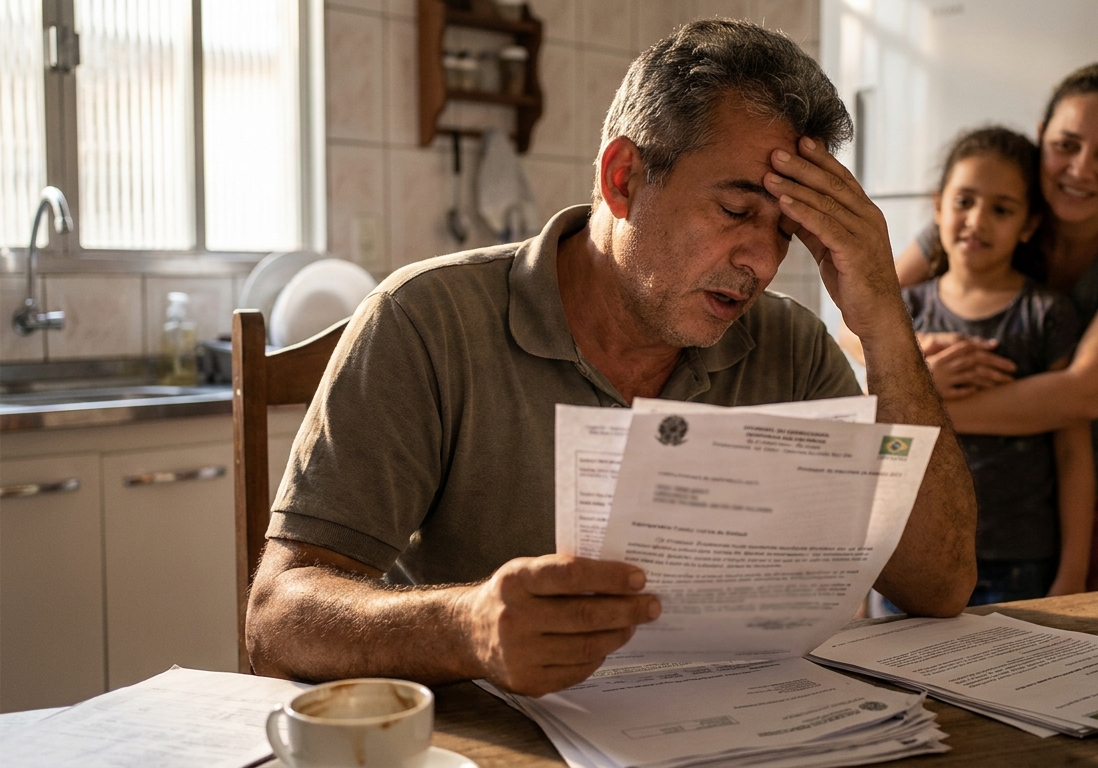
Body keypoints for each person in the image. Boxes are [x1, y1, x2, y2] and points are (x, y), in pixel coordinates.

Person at [246, 20, 978, 697]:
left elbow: (939, 587)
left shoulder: (790, 347)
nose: (761, 261)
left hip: (739, 728)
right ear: (623, 178)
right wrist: (468, 627)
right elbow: (276, 619)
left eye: (787, 231)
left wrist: (882, 319)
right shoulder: (427, 320)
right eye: (735, 210)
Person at [888, 63, 1098, 590]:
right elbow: (863, 316)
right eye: (1065, 145)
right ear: (1041, 136)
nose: (1079, 169)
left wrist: (918, 409)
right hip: (992, 500)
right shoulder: (995, 203)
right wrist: (919, 353)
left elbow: (1083, 396)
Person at [899, 127, 1094, 604]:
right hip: (911, 553)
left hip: (1020, 562)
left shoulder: (1047, 314)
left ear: (1028, 225)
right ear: (938, 206)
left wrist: (1073, 573)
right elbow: (879, 440)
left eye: (1002, 209)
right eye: (964, 201)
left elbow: (1072, 452)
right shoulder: (905, 312)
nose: (977, 220)